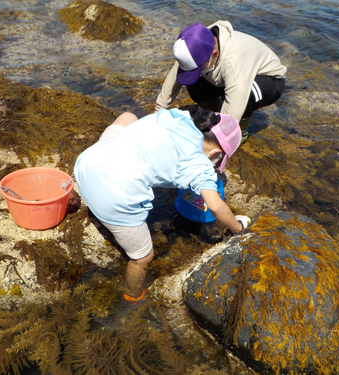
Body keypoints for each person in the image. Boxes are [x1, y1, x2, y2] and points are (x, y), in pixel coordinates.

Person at [74, 108, 251, 302]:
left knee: (129, 117)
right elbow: (216, 206)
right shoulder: (200, 166)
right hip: (110, 199)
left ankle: (77, 186)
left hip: (86, 165)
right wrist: (236, 227)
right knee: (143, 258)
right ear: (216, 154)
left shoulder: (176, 117)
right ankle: (132, 295)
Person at [156, 21, 287, 144]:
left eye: (199, 67)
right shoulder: (195, 44)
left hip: (268, 78)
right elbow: (175, 75)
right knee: (192, 80)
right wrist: (157, 114)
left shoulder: (233, 62)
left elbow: (233, 109)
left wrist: (216, 140)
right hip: (230, 78)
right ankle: (215, 115)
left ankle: (240, 132)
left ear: (215, 54)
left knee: (244, 96)